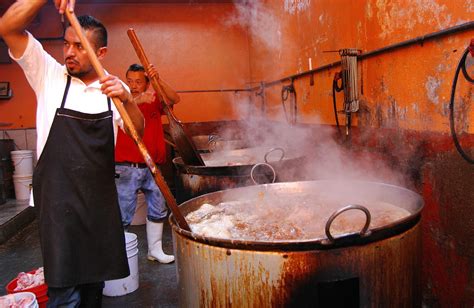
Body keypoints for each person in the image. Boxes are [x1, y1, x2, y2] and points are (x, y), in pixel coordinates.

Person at [0, 1, 145, 307]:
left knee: (94, 291)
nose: (68, 52)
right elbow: (7, 27)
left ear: (100, 53)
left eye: (79, 47)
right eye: (66, 44)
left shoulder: (113, 89)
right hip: (58, 206)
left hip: (99, 206)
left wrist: (128, 101)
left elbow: (137, 132)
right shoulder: (49, 76)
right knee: (64, 293)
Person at [115, 63, 179, 264]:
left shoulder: (153, 100)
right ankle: (119, 257)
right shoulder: (119, 100)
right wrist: (135, 99)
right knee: (123, 213)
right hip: (127, 167)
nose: (133, 85)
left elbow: (174, 98)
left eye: (139, 82)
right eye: (130, 81)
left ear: (146, 83)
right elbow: (120, 107)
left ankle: (155, 250)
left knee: (158, 208)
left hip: (153, 167)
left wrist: (158, 79)